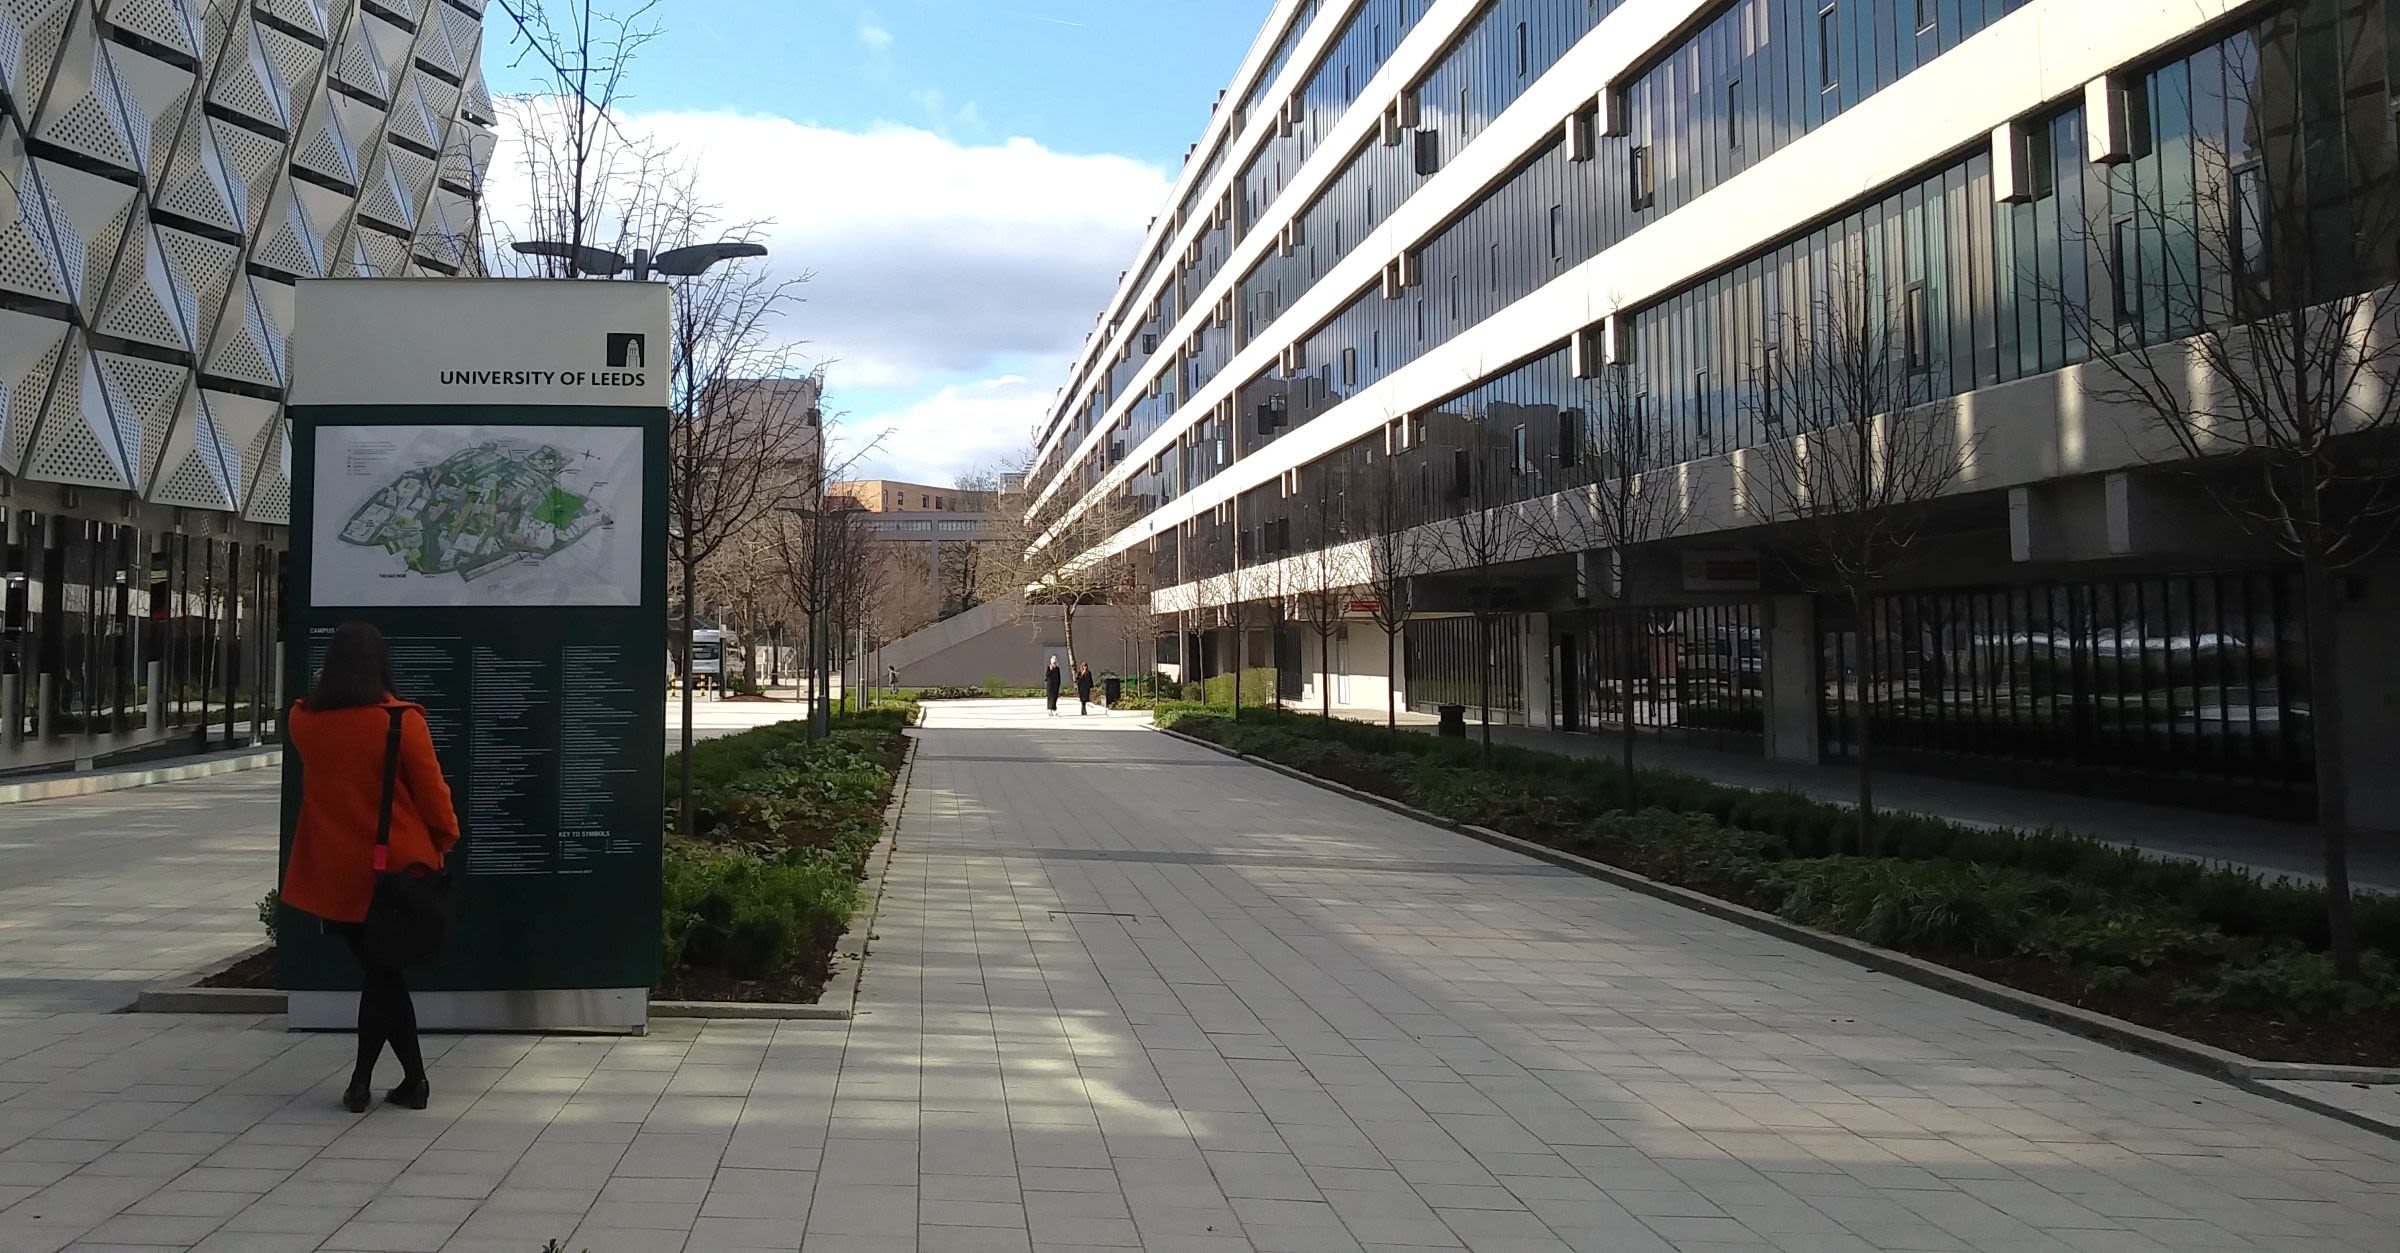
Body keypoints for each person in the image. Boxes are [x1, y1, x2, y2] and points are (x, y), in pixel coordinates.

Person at [283, 622, 459, 1114]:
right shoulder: (402, 722)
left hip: (338, 877)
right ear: (381, 665)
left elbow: (311, 708)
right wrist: (444, 839)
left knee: (381, 974)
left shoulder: (304, 722)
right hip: (397, 874)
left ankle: (395, 1083)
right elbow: (433, 795)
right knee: (385, 975)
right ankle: (380, 1083)